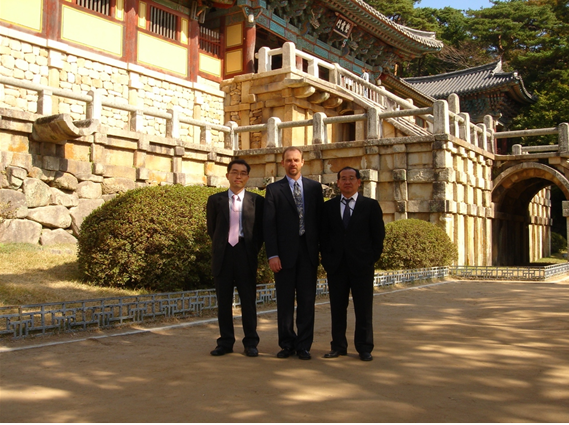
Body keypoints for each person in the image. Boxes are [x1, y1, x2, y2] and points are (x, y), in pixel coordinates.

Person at [263, 146, 324, 360]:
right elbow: (269, 225)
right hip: (283, 256)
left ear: (303, 162)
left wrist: (321, 253)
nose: (292, 163)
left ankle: (304, 345)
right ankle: (287, 343)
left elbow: (321, 222)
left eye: (296, 160)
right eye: (288, 160)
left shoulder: (314, 188)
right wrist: (272, 255)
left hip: (308, 254)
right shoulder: (274, 190)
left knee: (307, 302)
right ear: (282, 163)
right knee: (285, 302)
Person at [320, 167, 385, 361]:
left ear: (359, 182)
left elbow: (378, 237)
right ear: (338, 183)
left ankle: (364, 347)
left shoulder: (370, 206)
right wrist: (327, 260)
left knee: (363, 309)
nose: (347, 182)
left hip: (362, 266)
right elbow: (323, 237)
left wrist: (370, 259)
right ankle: (338, 346)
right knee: (337, 308)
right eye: (343, 178)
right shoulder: (328, 207)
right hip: (336, 266)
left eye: (351, 178)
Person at [206, 159, 264, 357]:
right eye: (235, 172)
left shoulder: (257, 201)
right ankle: (225, 342)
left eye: (243, 173)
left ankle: (251, 342)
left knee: (248, 300)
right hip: (223, 254)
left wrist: (251, 250)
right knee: (223, 301)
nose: (238, 176)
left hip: (245, 254)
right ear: (227, 175)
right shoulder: (215, 200)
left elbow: (260, 232)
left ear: (248, 177)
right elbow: (212, 229)